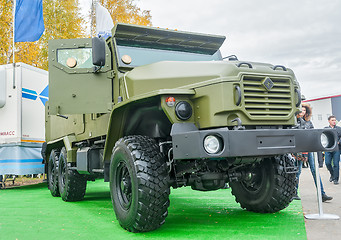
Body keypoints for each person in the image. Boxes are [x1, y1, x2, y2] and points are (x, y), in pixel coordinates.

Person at [293, 104, 333, 202]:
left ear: (306, 112)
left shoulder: (309, 122)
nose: (302, 112)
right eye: (301, 110)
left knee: (315, 171)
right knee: (297, 171)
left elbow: (312, 133)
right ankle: (293, 193)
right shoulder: (294, 122)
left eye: (304, 110)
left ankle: (322, 194)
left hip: (309, 149)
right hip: (299, 150)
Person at [324, 115, 341, 185]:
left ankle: (336, 179)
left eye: (335, 120)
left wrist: (339, 141)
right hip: (328, 148)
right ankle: (332, 174)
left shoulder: (339, 129)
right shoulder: (325, 129)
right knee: (327, 163)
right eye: (332, 120)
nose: (334, 122)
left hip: (337, 149)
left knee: (336, 164)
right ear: (329, 121)